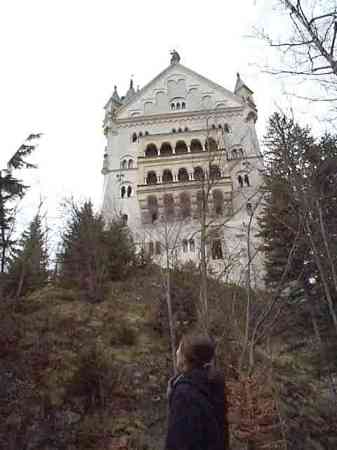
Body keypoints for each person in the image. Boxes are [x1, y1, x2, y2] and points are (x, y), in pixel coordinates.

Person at [165, 332, 229, 450]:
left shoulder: (185, 393)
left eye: (179, 348)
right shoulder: (214, 382)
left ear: (186, 356)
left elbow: (178, 441)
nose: (177, 351)